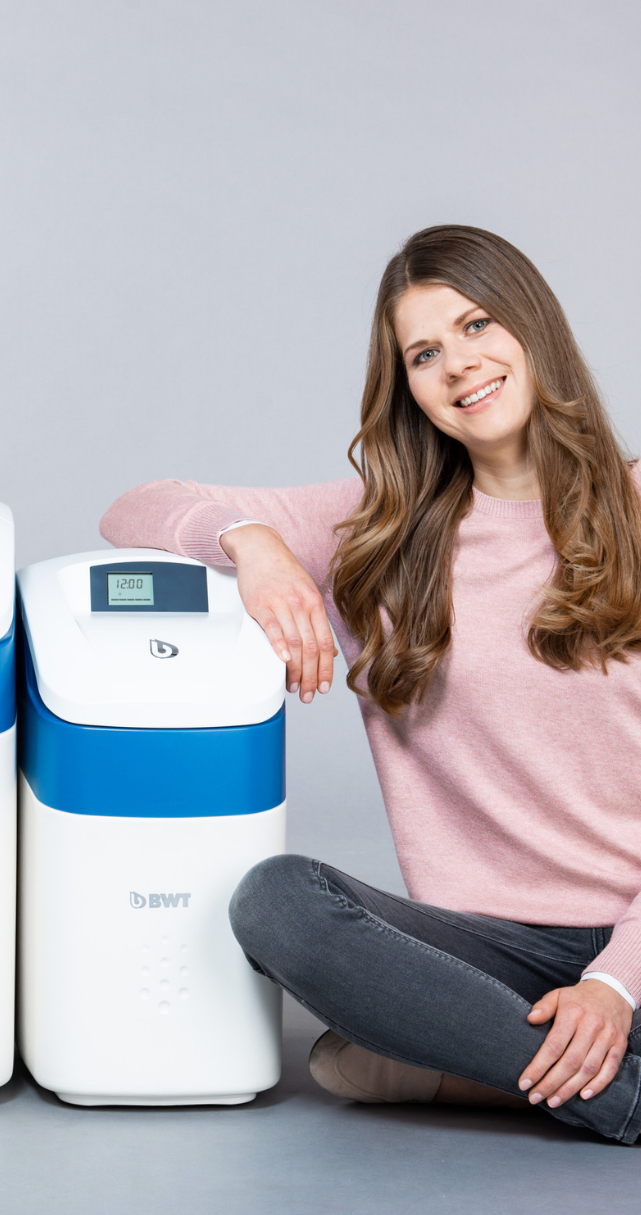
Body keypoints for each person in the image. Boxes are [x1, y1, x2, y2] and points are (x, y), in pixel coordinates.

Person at [99, 225, 641, 1143]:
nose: (459, 365)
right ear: (409, 389)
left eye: (477, 325)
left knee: (345, 1061)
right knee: (278, 902)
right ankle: (608, 1092)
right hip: (484, 953)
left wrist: (617, 982)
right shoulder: (378, 534)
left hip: (635, 936)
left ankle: (482, 1069)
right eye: (424, 354)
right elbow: (134, 507)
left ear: (534, 327)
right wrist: (254, 546)